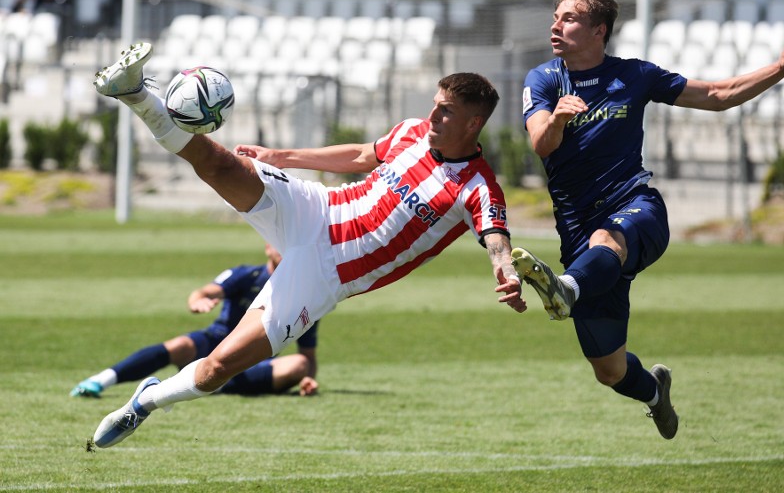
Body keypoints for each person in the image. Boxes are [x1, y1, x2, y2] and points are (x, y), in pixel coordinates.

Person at [89, 42, 525, 448]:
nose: (432, 117)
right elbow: (359, 156)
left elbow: (496, 240)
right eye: (434, 105)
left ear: (473, 123)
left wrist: (503, 271)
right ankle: (136, 95)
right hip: (316, 208)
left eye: (445, 112)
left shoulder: (478, 187)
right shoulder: (411, 133)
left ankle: (143, 404)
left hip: (325, 273)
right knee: (218, 164)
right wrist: (282, 156)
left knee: (219, 366)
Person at [511, 0, 784, 440]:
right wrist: (557, 119)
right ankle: (655, 394)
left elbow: (718, 94)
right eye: (556, 16)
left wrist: (781, 69)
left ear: (599, 30)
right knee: (609, 370)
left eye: (569, 18)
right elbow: (540, 144)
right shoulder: (544, 80)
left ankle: (566, 288)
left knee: (606, 240)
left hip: (635, 208)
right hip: (577, 232)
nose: (556, 24)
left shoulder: (635, 75)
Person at [70, 244, 320, 400]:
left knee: (297, 365)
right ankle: (100, 381)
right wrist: (197, 301)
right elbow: (203, 292)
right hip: (215, 341)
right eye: (279, 244)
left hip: (253, 360)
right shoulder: (246, 274)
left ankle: (211, 383)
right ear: (267, 247)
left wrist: (308, 378)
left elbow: (307, 355)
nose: (284, 250)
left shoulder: (302, 295)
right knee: (180, 345)